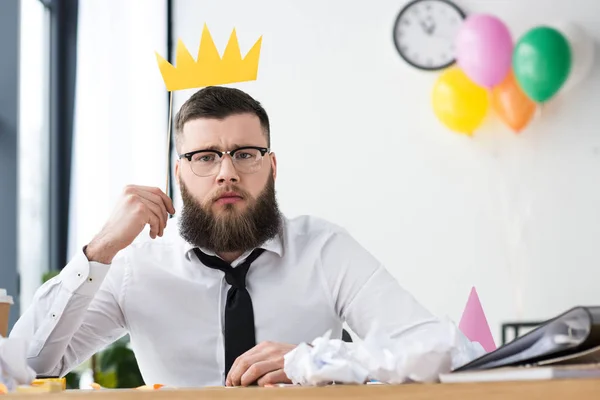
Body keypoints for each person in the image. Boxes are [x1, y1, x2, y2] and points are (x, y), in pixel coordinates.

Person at [11, 86, 444, 387]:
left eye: (245, 154)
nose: (227, 172)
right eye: (205, 157)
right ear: (179, 174)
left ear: (271, 167)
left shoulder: (325, 250)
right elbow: (26, 365)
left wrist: (314, 361)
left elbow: (441, 349)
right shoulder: (136, 267)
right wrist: (100, 249)